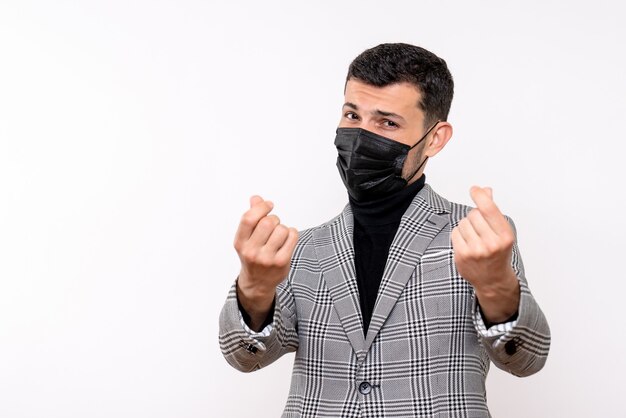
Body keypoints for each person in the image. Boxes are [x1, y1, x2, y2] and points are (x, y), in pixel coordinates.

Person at [219, 43, 550, 417]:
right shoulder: (301, 247)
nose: (360, 137)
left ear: (435, 138)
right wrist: (254, 288)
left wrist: (496, 286)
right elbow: (244, 357)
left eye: (387, 122)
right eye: (352, 115)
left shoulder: (480, 236)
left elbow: (527, 358)